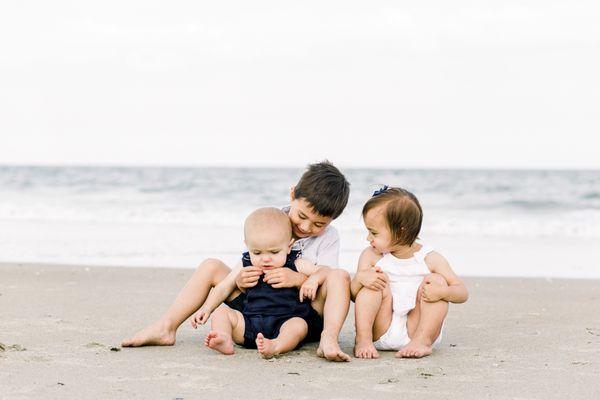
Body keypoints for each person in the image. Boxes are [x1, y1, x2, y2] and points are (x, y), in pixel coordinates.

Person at [122, 161, 353, 361]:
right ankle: (166, 328)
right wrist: (241, 280)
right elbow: (248, 261)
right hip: (257, 303)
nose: (305, 227)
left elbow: (328, 276)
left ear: (331, 221)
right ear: (293, 195)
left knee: (340, 276)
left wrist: (298, 279)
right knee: (211, 266)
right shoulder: (270, 219)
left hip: (300, 312)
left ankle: (328, 340)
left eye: (318, 224)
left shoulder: (329, 237)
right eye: (302, 216)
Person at [192, 207, 329, 358]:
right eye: (257, 252)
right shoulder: (246, 264)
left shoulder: (296, 263)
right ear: (248, 246)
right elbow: (224, 287)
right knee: (221, 313)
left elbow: (326, 271)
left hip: (284, 324)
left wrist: (311, 279)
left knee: (299, 325)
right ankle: (224, 337)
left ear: (289, 247)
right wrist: (206, 308)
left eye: (274, 252)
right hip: (250, 324)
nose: (265, 258)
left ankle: (276, 346)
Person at [351, 186, 468, 359]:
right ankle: (363, 340)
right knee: (373, 283)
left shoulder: (430, 258)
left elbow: (462, 293)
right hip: (381, 329)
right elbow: (354, 295)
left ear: (400, 232)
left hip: (418, 330)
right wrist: (361, 279)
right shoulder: (370, 256)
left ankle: (422, 341)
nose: (368, 238)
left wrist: (443, 292)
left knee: (436, 281)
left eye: (373, 232)